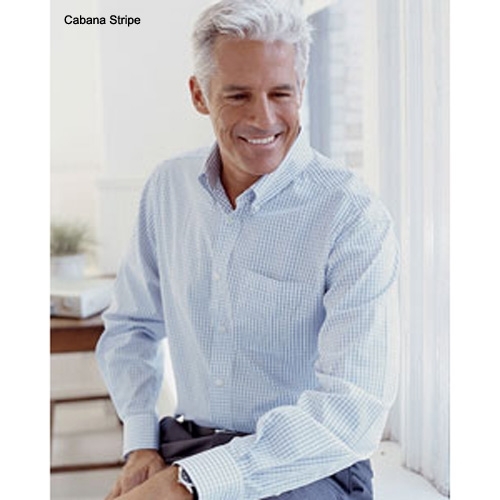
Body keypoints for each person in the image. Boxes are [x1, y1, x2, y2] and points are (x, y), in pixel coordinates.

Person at [96, 1, 400, 499]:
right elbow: (131, 326)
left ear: (301, 88)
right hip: (188, 445)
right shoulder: (168, 189)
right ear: (199, 95)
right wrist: (141, 446)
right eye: (238, 95)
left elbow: (353, 409)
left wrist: (187, 486)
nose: (264, 118)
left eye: (281, 93)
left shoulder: (352, 214)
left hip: (308, 466)